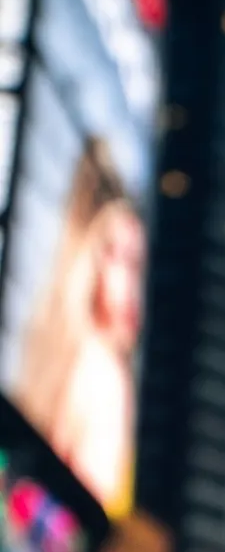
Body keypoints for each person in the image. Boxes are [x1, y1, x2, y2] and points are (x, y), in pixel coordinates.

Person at [18, 138, 145, 517]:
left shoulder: (70, 357)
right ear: (93, 258)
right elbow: (88, 509)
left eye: (140, 266)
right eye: (125, 260)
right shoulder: (104, 373)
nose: (134, 286)